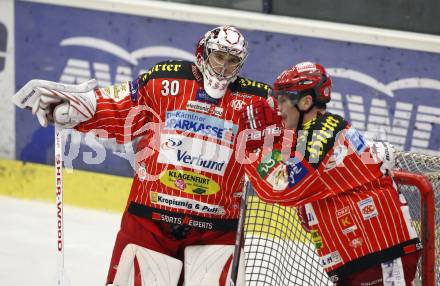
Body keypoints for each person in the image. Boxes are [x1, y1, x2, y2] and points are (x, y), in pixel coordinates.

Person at [13, 25, 280, 286]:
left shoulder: (255, 102)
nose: (223, 67)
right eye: (219, 57)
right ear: (203, 54)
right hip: (150, 221)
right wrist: (79, 108)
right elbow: (119, 109)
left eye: (232, 60)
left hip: (217, 230)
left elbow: (284, 141)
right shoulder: (164, 81)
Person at [242, 62, 421, 285]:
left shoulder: (323, 132)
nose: (277, 107)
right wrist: (268, 139)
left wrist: (253, 148)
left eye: (283, 99)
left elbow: (282, 188)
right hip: (360, 259)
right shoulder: (307, 135)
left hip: (380, 254)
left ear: (306, 102)